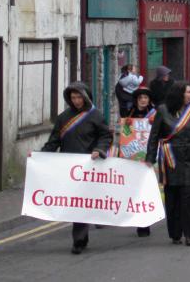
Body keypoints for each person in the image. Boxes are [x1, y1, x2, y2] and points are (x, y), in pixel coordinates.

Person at [42, 82, 112, 254]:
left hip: (90, 165)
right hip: (70, 167)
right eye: (73, 97)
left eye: (79, 97)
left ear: (86, 97)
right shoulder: (63, 117)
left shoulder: (95, 115)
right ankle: (80, 238)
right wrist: (40, 156)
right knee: (77, 204)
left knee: (86, 201)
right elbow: (54, 141)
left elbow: (105, 136)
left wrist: (99, 150)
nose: (76, 101)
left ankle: (82, 236)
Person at [146, 82, 190, 247]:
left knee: (188, 196)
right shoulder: (163, 111)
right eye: (187, 92)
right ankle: (175, 233)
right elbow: (154, 136)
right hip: (170, 158)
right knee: (172, 196)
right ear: (178, 94)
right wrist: (150, 157)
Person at [124, 85, 157, 237]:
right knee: (135, 189)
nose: (143, 100)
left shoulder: (155, 114)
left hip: (150, 158)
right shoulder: (129, 114)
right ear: (137, 100)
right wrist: (127, 127)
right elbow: (125, 135)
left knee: (147, 189)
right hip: (134, 156)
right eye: (141, 98)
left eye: (146, 98)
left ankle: (146, 222)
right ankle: (139, 220)